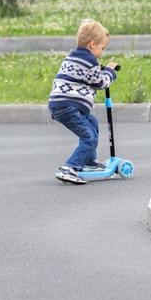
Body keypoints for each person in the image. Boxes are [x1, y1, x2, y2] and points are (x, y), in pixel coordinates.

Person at [49, 18, 118, 184]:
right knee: (89, 137)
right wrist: (110, 71)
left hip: (61, 105)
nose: (102, 52)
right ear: (92, 44)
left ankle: (88, 160)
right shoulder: (90, 61)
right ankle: (70, 167)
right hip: (68, 107)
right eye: (102, 48)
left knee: (92, 124)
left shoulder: (72, 57)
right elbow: (100, 83)